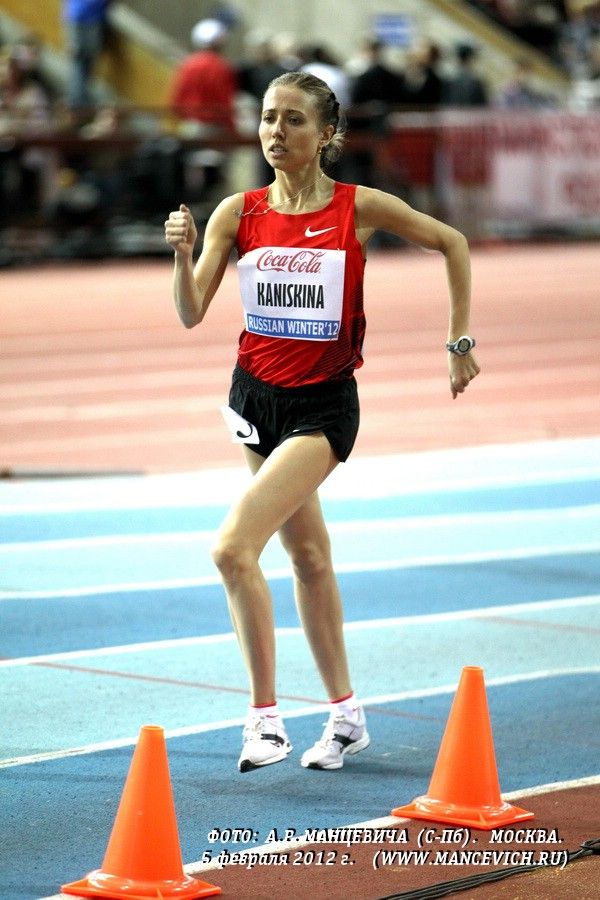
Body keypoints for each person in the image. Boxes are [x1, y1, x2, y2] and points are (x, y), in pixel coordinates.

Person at [164, 71, 480, 774]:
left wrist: (458, 341)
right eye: (268, 118)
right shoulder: (237, 212)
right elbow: (190, 312)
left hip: (321, 408)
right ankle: (347, 716)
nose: (276, 132)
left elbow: (453, 243)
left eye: (294, 120)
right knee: (307, 558)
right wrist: (183, 256)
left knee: (232, 549)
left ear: (327, 133)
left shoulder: (356, 207)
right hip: (254, 401)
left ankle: (264, 721)